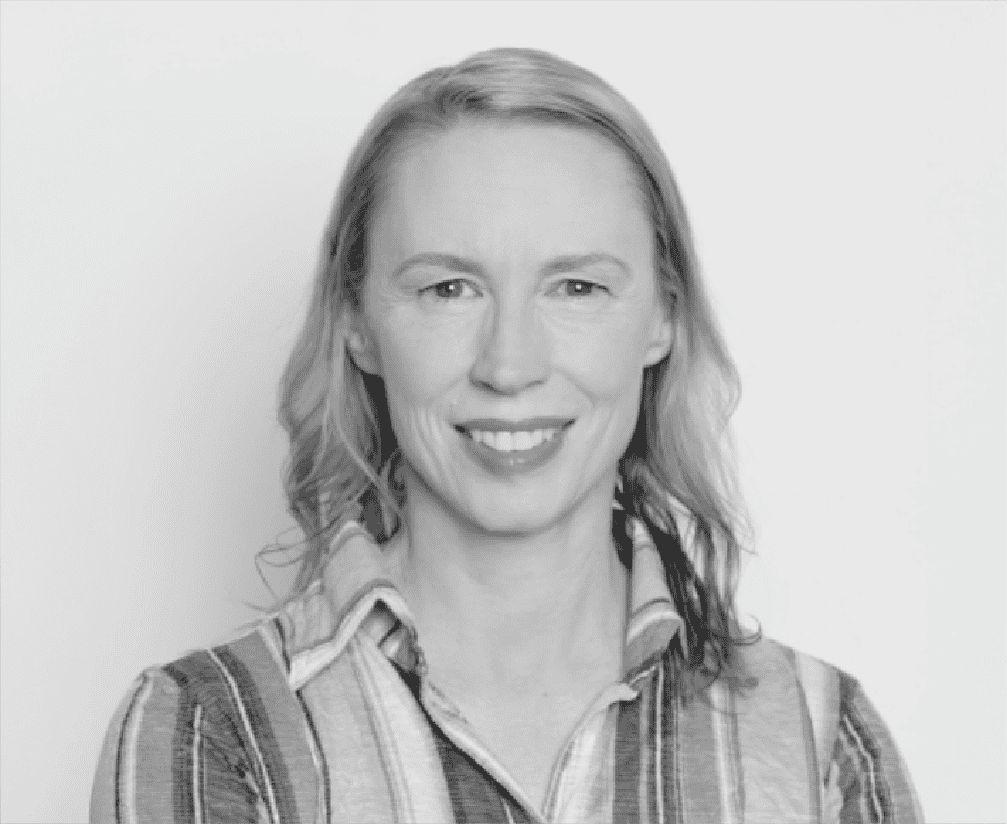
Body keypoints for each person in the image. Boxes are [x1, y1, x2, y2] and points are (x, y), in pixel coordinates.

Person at [90, 47, 924, 823]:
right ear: (357, 323)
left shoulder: (818, 739)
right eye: (448, 289)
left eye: (577, 287)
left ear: (661, 318)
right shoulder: (210, 730)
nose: (509, 365)